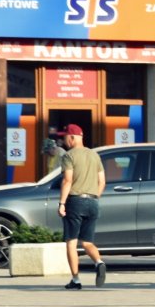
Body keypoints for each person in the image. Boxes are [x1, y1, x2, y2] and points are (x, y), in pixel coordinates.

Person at [57, 124, 106, 290]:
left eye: (64, 137)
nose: (64, 141)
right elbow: (102, 182)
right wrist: (94, 197)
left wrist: (62, 203)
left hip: (75, 201)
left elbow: (67, 180)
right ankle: (99, 262)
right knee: (87, 242)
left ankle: (76, 280)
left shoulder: (68, 156)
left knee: (71, 242)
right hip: (93, 202)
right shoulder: (94, 155)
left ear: (72, 138)